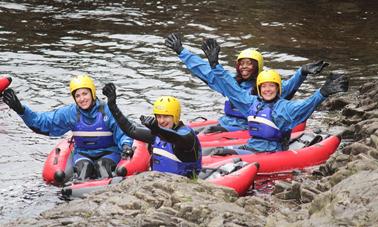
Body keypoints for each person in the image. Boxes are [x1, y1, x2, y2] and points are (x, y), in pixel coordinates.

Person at [194, 38, 348, 152]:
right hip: (252, 147)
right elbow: (230, 87)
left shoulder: (284, 108)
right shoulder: (251, 103)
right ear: (259, 89)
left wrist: (323, 92)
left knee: (218, 152)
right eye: (264, 86)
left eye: (272, 86)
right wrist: (215, 65)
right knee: (211, 151)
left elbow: (307, 105)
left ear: (278, 89)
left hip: (271, 152)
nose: (268, 90)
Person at [165, 33, 328, 133]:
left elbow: (287, 88)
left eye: (249, 63)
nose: (244, 66)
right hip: (226, 122)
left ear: (257, 67)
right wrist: (181, 51)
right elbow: (205, 70)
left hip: (244, 127)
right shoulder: (231, 82)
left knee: (207, 131)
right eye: (241, 63)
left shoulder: (265, 88)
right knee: (190, 128)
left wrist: (302, 72)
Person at [2, 75, 133, 181]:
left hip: (109, 152)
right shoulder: (70, 113)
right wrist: (20, 109)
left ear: (92, 93)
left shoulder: (107, 110)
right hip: (83, 154)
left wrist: (126, 146)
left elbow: (122, 131)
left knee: (102, 167)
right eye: (77, 96)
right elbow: (43, 122)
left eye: (85, 94)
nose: (82, 99)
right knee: (84, 169)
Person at [102, 83, 201, 178]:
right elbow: (131, 130)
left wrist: (157, 129)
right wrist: (112, 106)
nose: (161, 121)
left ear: (175, 117)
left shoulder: (187, 137)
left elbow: (176, 138)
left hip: (182, 186)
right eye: (158, 116)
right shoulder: (157, 134)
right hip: (158, 184)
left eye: (166, 116)